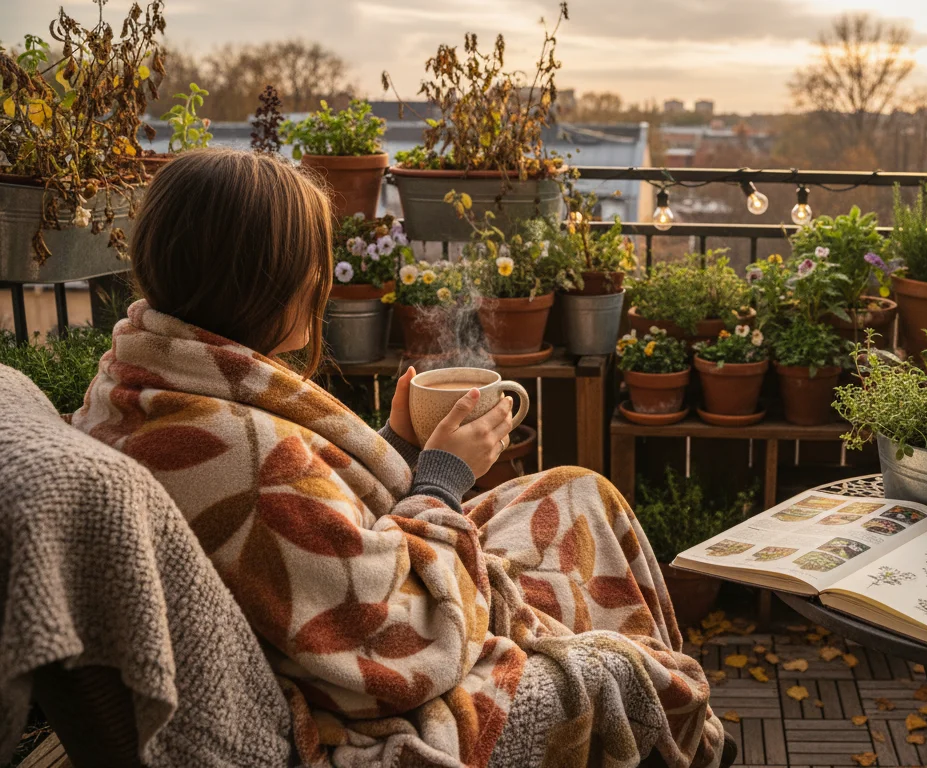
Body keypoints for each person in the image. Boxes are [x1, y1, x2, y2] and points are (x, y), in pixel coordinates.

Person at [74, 149, 726, 768]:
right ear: (265, 285)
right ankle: (682, 732)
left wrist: (399, 448)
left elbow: (313, 526)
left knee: (578, 491)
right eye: (311, 265)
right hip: (375, 689)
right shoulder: (238, 455)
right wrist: (441, 478)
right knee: (622, 655)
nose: (320, 283)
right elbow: (397, 645)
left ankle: (673, 732)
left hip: (357, 599)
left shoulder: (146, 380)